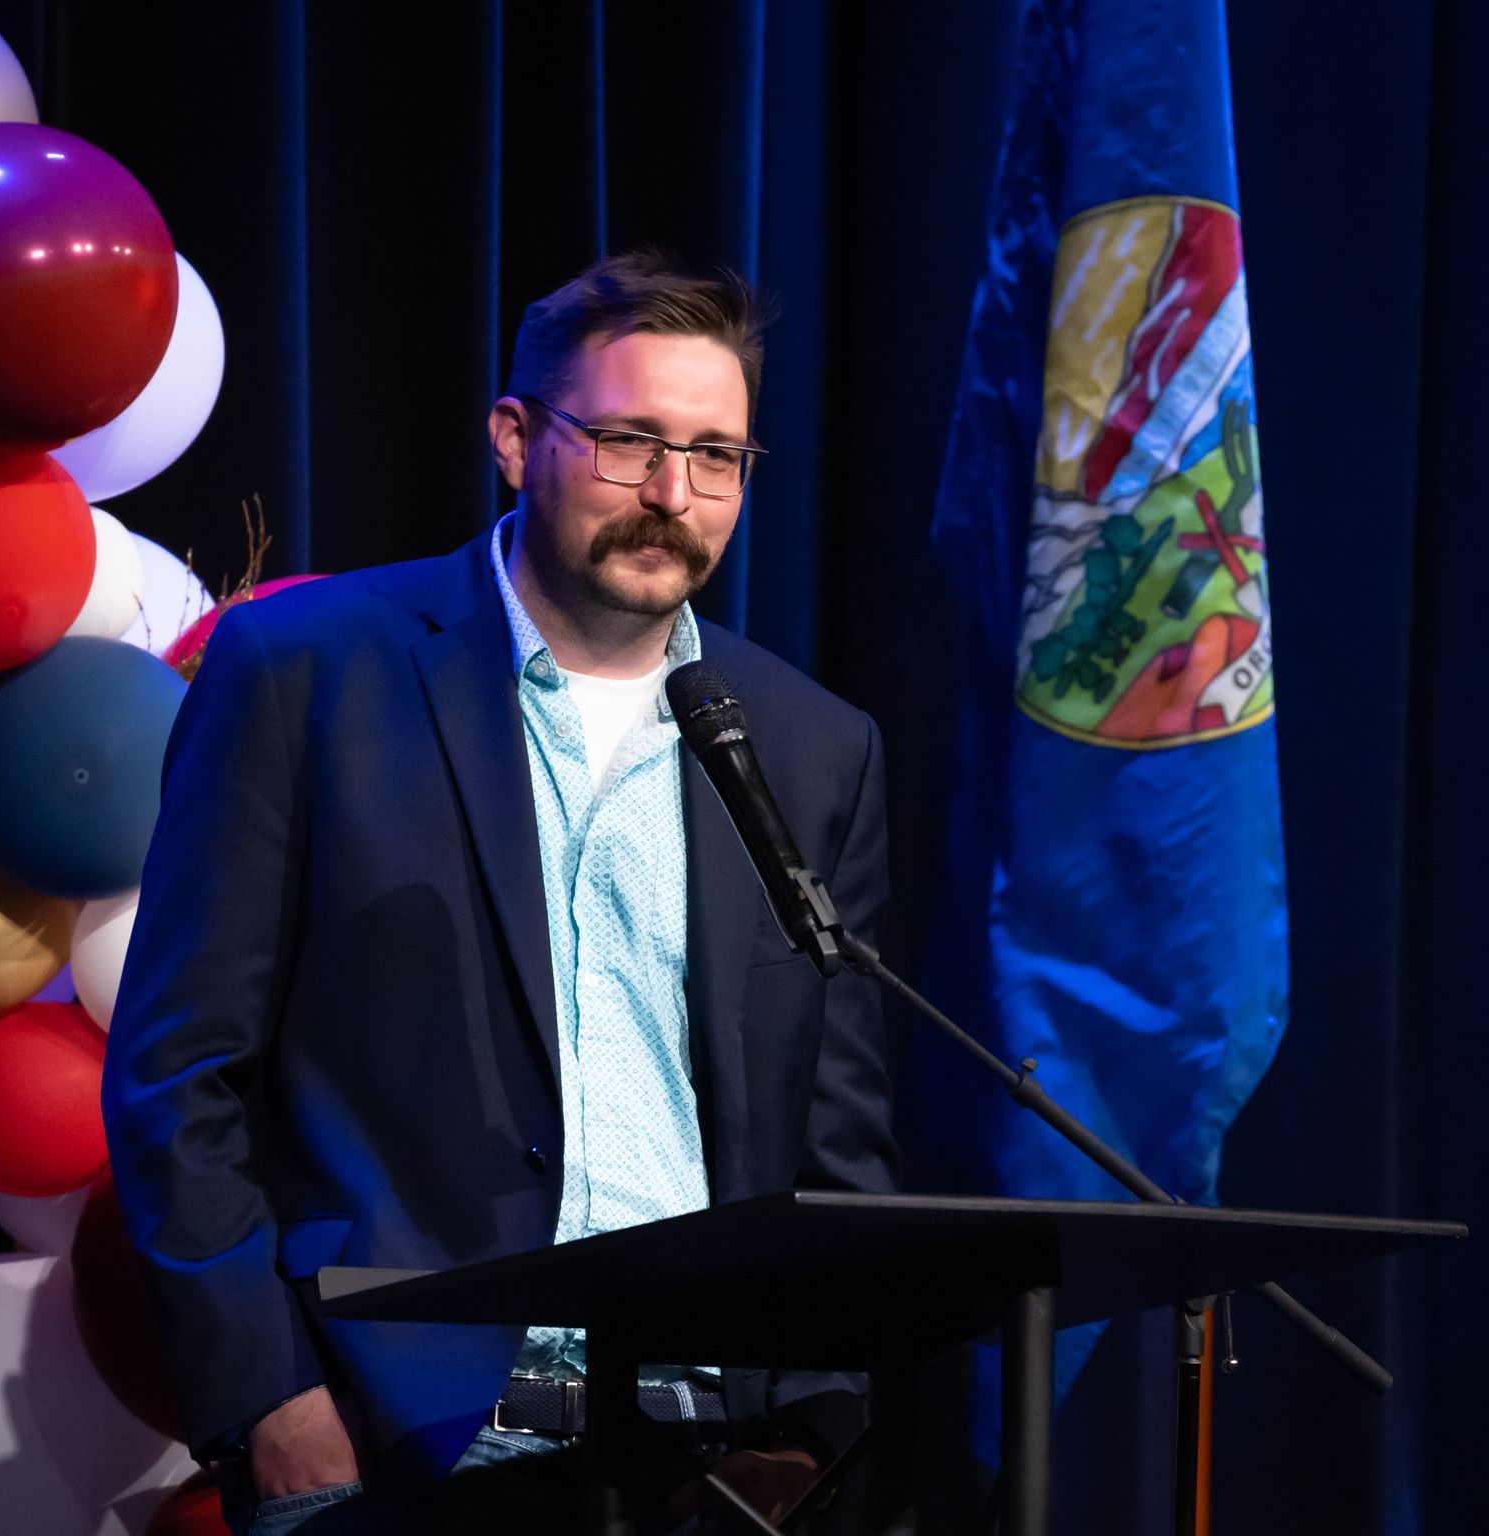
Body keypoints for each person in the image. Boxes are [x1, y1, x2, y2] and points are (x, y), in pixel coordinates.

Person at [103, 250, 899, 1533]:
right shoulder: (307, 675)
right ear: (516, 438)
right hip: (400, 1416)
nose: (672, 493)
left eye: (716, 456)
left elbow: (837, 1133)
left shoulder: (810, 745)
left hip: (712, 1444)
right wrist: (269, 1400)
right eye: (632, 439)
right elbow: (176, 1075)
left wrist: (813, 1426)